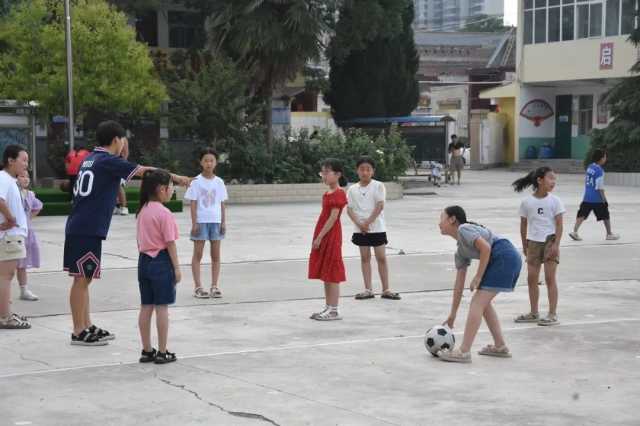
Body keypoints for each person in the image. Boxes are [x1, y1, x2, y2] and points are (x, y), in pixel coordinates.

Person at [64, 120, 188, 346]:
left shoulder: (91, 158)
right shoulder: (108, 160)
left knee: (85, 277)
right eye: (123, 142)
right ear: (116, 141)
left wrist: (124, 155)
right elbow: (146, 172)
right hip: (87, 228)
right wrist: (176, 177)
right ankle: (78, 330)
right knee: (81, 279)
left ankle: (86, 324)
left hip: (83, 226)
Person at [437, 206, 521, 363]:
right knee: (484, 304)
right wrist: (452, 314)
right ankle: (500, 346)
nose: (439, 223)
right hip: (503, 258)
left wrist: (478, 276)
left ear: (452, 219)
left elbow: (486, 248)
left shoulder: (464, 228)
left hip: (504, 255)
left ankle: (464, 351)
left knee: (477, 302)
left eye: (441, 218)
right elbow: (459, 285)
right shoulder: (460, 251)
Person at [136, 169, 180, 364]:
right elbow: (170, 243)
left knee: (146, 306)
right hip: (161, 261)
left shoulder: (142, 210)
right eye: (171, 187)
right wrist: (177, 268)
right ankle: (163, 351)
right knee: (162, 307)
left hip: (144, 261)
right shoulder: (164, 213)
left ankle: (147, 350)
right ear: (162, 189)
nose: (172, 190)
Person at [512, 167, 565, 326]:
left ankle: (552, 314)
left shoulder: (555, 201)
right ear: (539, 180)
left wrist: (556, 245)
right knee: (531, 279)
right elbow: (523, 226)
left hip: (550, 241)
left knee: (550, 279)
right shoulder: (527, 202)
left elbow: (559, 225)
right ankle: (534, 313)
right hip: (533, 243)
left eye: (554, 179)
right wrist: (524, 246)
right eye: (550, 178)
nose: (553, 182)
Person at [347, 156, 400, 300]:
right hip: (360, 229)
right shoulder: (352, 189)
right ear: (357, 171)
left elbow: (379, 205)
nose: (365, 172)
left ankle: (386, 289)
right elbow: (349, 209)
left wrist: (367, 223)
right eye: (362, 169)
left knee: (381, 258)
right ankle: (368, 290)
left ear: (373, 171)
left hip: (377, 228)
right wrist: (360, 224)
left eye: (368, 169)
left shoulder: (378, 186)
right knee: (365, 258)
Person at [184, 148, 228, 299]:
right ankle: (198, 287)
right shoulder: (196, 182)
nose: (209, 163)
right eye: (206, 160)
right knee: (198, 255)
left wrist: (223, 222)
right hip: (201, 222)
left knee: (216, 255)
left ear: (216, 163)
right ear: (201, 162)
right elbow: (193, 203)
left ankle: (214, 286)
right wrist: (194, 222)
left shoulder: (219, 182)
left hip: (215, 222)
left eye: (212, 160)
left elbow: (221, 203)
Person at [308, 159, 348, 321]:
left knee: (332, 272)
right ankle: (328, 306)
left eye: (326, 172)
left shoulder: (339, 194)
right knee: (326, 272)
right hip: (324, 234)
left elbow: (333, 218)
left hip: (330, 236)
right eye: (322, 172)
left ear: (337, 175)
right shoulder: (327, 193)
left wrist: (319, 237)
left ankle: (334, 309)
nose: (323, 176)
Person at [0, 145, 30, 329]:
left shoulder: (9, 179)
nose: (26, 164)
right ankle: (5, 317)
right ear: (11, 160)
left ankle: (6, 313)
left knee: (5, 276)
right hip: (9, 237)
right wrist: (11, 218)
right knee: (5, 276)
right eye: (23, 160)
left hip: (11, 236)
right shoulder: (4, 178)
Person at [569, 149, 620, 241]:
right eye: (605, 157)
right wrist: (604, 200)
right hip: (597, 198)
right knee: (605, 215)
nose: (605, 158)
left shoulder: (590, 167)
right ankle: (609, 234)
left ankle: (575, 231)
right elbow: (600, 187)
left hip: (587, 197)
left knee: (582, 214)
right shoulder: (599, 170)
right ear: (601, 158)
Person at [16, 170, 43, 301]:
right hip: (13, 234)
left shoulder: (30, 195)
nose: (26, 179)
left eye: (27, 177)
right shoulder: (12, 193)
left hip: (26, 233)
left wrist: (28, 218)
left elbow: (38, 206)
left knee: (22, 264)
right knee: (8, 266)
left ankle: (24, 290)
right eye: (22, 176)